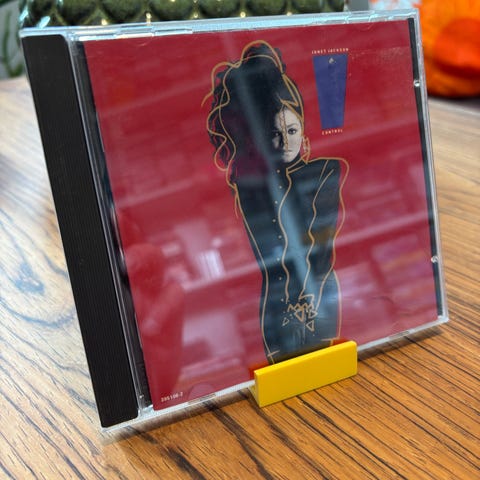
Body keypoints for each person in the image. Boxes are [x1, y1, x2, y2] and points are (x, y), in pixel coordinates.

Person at [205, 41, 348, 363]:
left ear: (304, 131)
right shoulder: (249, 184)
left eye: (292, 130)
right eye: (274, 133)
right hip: (277, 312)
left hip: (316, 302)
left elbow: (316, 251)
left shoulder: (326, 170)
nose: (285, 141)